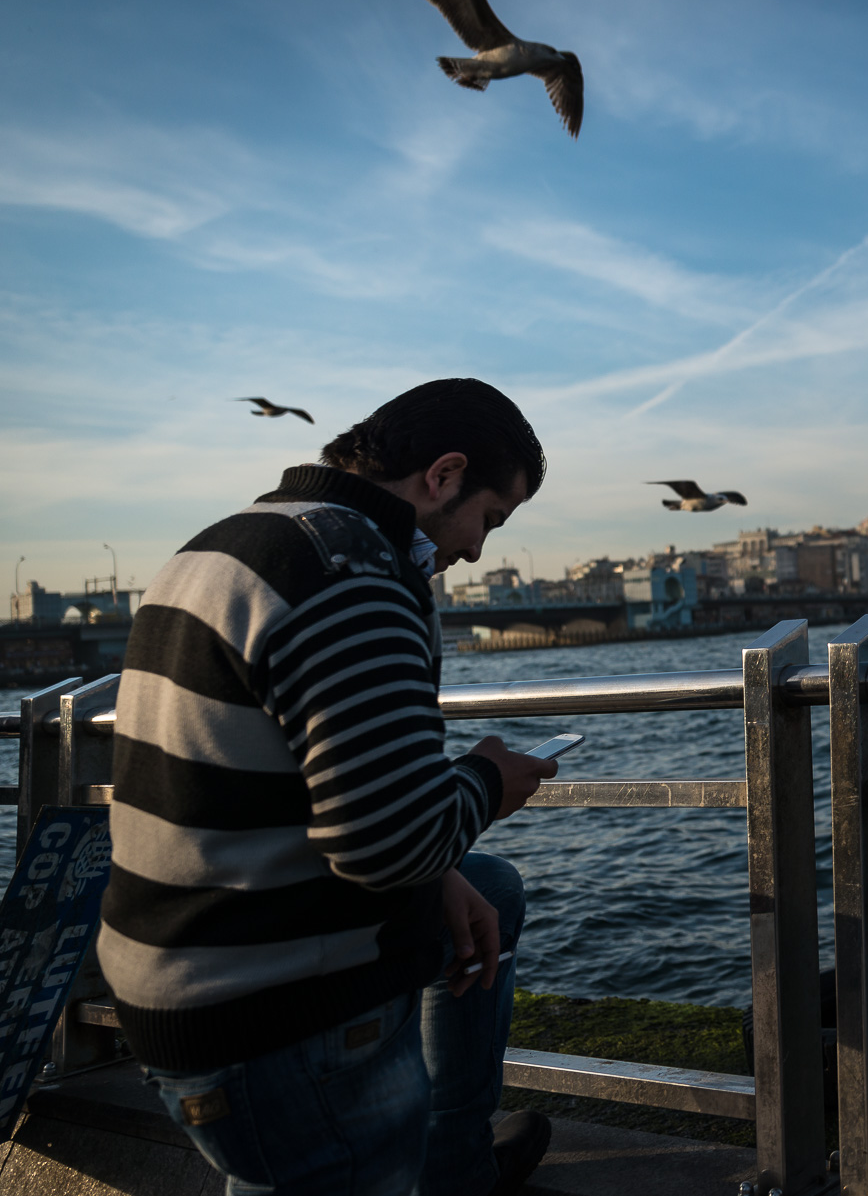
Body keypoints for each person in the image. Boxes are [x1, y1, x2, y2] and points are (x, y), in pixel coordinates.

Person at [100, 378, 562, 1195]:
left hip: (171, 975)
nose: (480, 550)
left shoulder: (228, 541)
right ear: (444, 474)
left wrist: (442, 867)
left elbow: (277, 782)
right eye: (491, 518)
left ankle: (450, 1165)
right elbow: (389, 845)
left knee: (484, 885)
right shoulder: (351, 571)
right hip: (270, 1017)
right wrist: (490, 777)